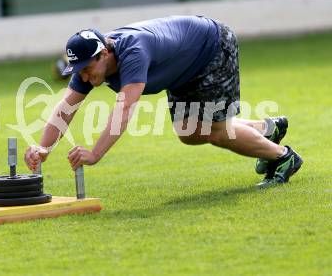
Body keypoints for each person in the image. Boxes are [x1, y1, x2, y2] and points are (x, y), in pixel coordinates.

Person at [24, 15, 303, 188]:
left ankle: (283, 158)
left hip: (211, 49)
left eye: (87, 68)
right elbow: (66, 108)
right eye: (79, 70)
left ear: (104, 54)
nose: (84, 75)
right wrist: (43, 147)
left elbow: (124, 109)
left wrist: (95, 154)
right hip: (182, 66)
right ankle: (266, 129)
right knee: (189, 133)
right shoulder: (93, 66)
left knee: (215, 130)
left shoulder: (132, 52)